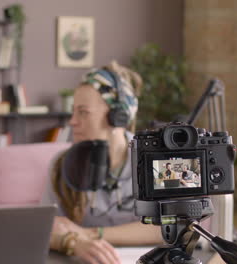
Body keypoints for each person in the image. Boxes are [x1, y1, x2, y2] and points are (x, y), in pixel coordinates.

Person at [42, 61, 161, 264]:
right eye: (73, 111)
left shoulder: (155, 160)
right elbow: (47, 227)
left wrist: (92, 234)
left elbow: (167, 229)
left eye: (83, 112)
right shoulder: (62, 166)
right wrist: (73, 243)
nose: (72, 121)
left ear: (118, 117)